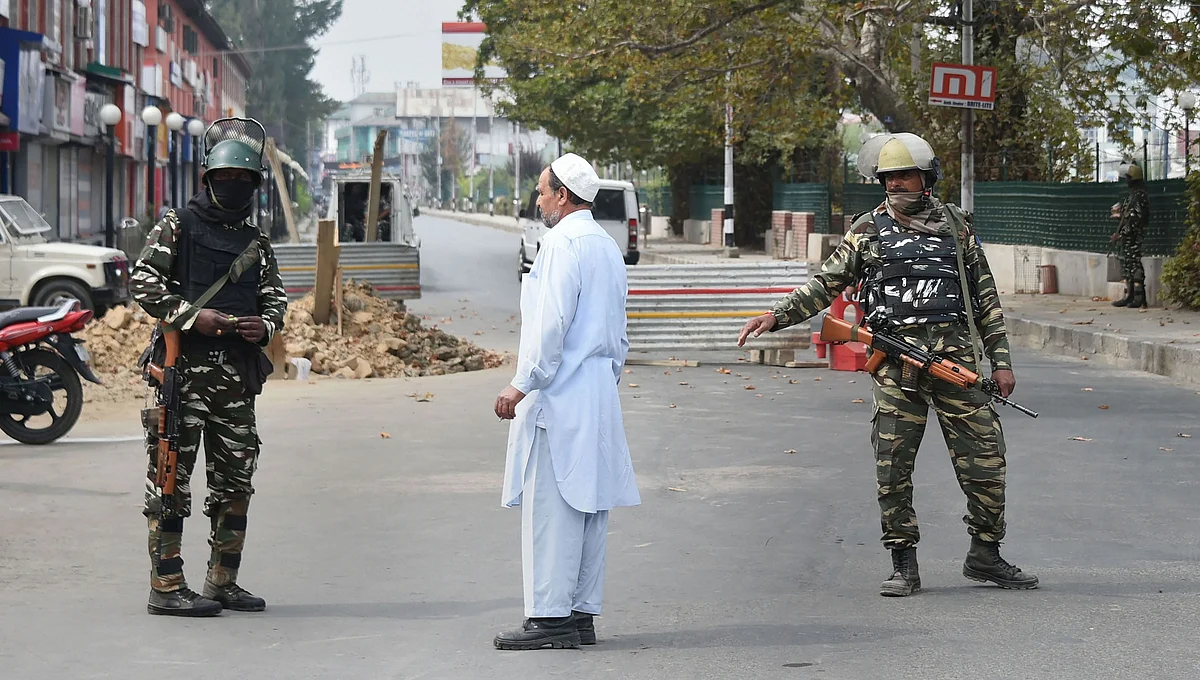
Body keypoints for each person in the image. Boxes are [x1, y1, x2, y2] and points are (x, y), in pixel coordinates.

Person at [738, 133, 1038, 597]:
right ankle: (903, 563)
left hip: (956, 364)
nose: (896, 184)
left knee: (987, 462)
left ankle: (985, 554)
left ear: (927, 177)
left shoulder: (957, 227)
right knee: (893, 466)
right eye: (888, 177)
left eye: (905, 175)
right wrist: (776, 315)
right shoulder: (867, 230)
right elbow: (824, 285)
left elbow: (985, 299)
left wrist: (1000, 362)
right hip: (897, 369)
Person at [131, 117, 288, 617]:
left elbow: (275, 300)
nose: (235, 188)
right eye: (227, 180)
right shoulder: (177, 226)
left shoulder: (256, 243)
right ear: (208, 179)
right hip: (183, 377)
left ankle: (222, 580)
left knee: (236, 483)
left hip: (235, 383)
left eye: (244, 181)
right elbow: (144, 283)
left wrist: (261, 327)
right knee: (171, 481)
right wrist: (197, 317)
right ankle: (167, 585)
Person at [493, 153, 641, 649]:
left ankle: (550, 618)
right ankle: (580, 615)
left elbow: (549, 325)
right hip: (596, 390)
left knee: (553, 508)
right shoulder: (604, 246)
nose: (538, 200)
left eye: (541, 191)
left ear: (562, 195)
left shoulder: (560, 244)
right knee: (590, 508)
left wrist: (521, 383)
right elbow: (619, 337)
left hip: (560, 393)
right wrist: (603, 380)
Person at [1109, 162, 1149, 308]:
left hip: (1134, 237)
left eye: (1128, 177)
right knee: (1127, 265)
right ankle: (1129, 295)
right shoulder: (1132, 196)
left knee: (1135, 265)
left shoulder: (1139, 196)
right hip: (1127, 237)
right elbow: (1127, 216)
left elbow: (1137, 219)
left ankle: (1139, 297)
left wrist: (1123, 233)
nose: (1126, 180)